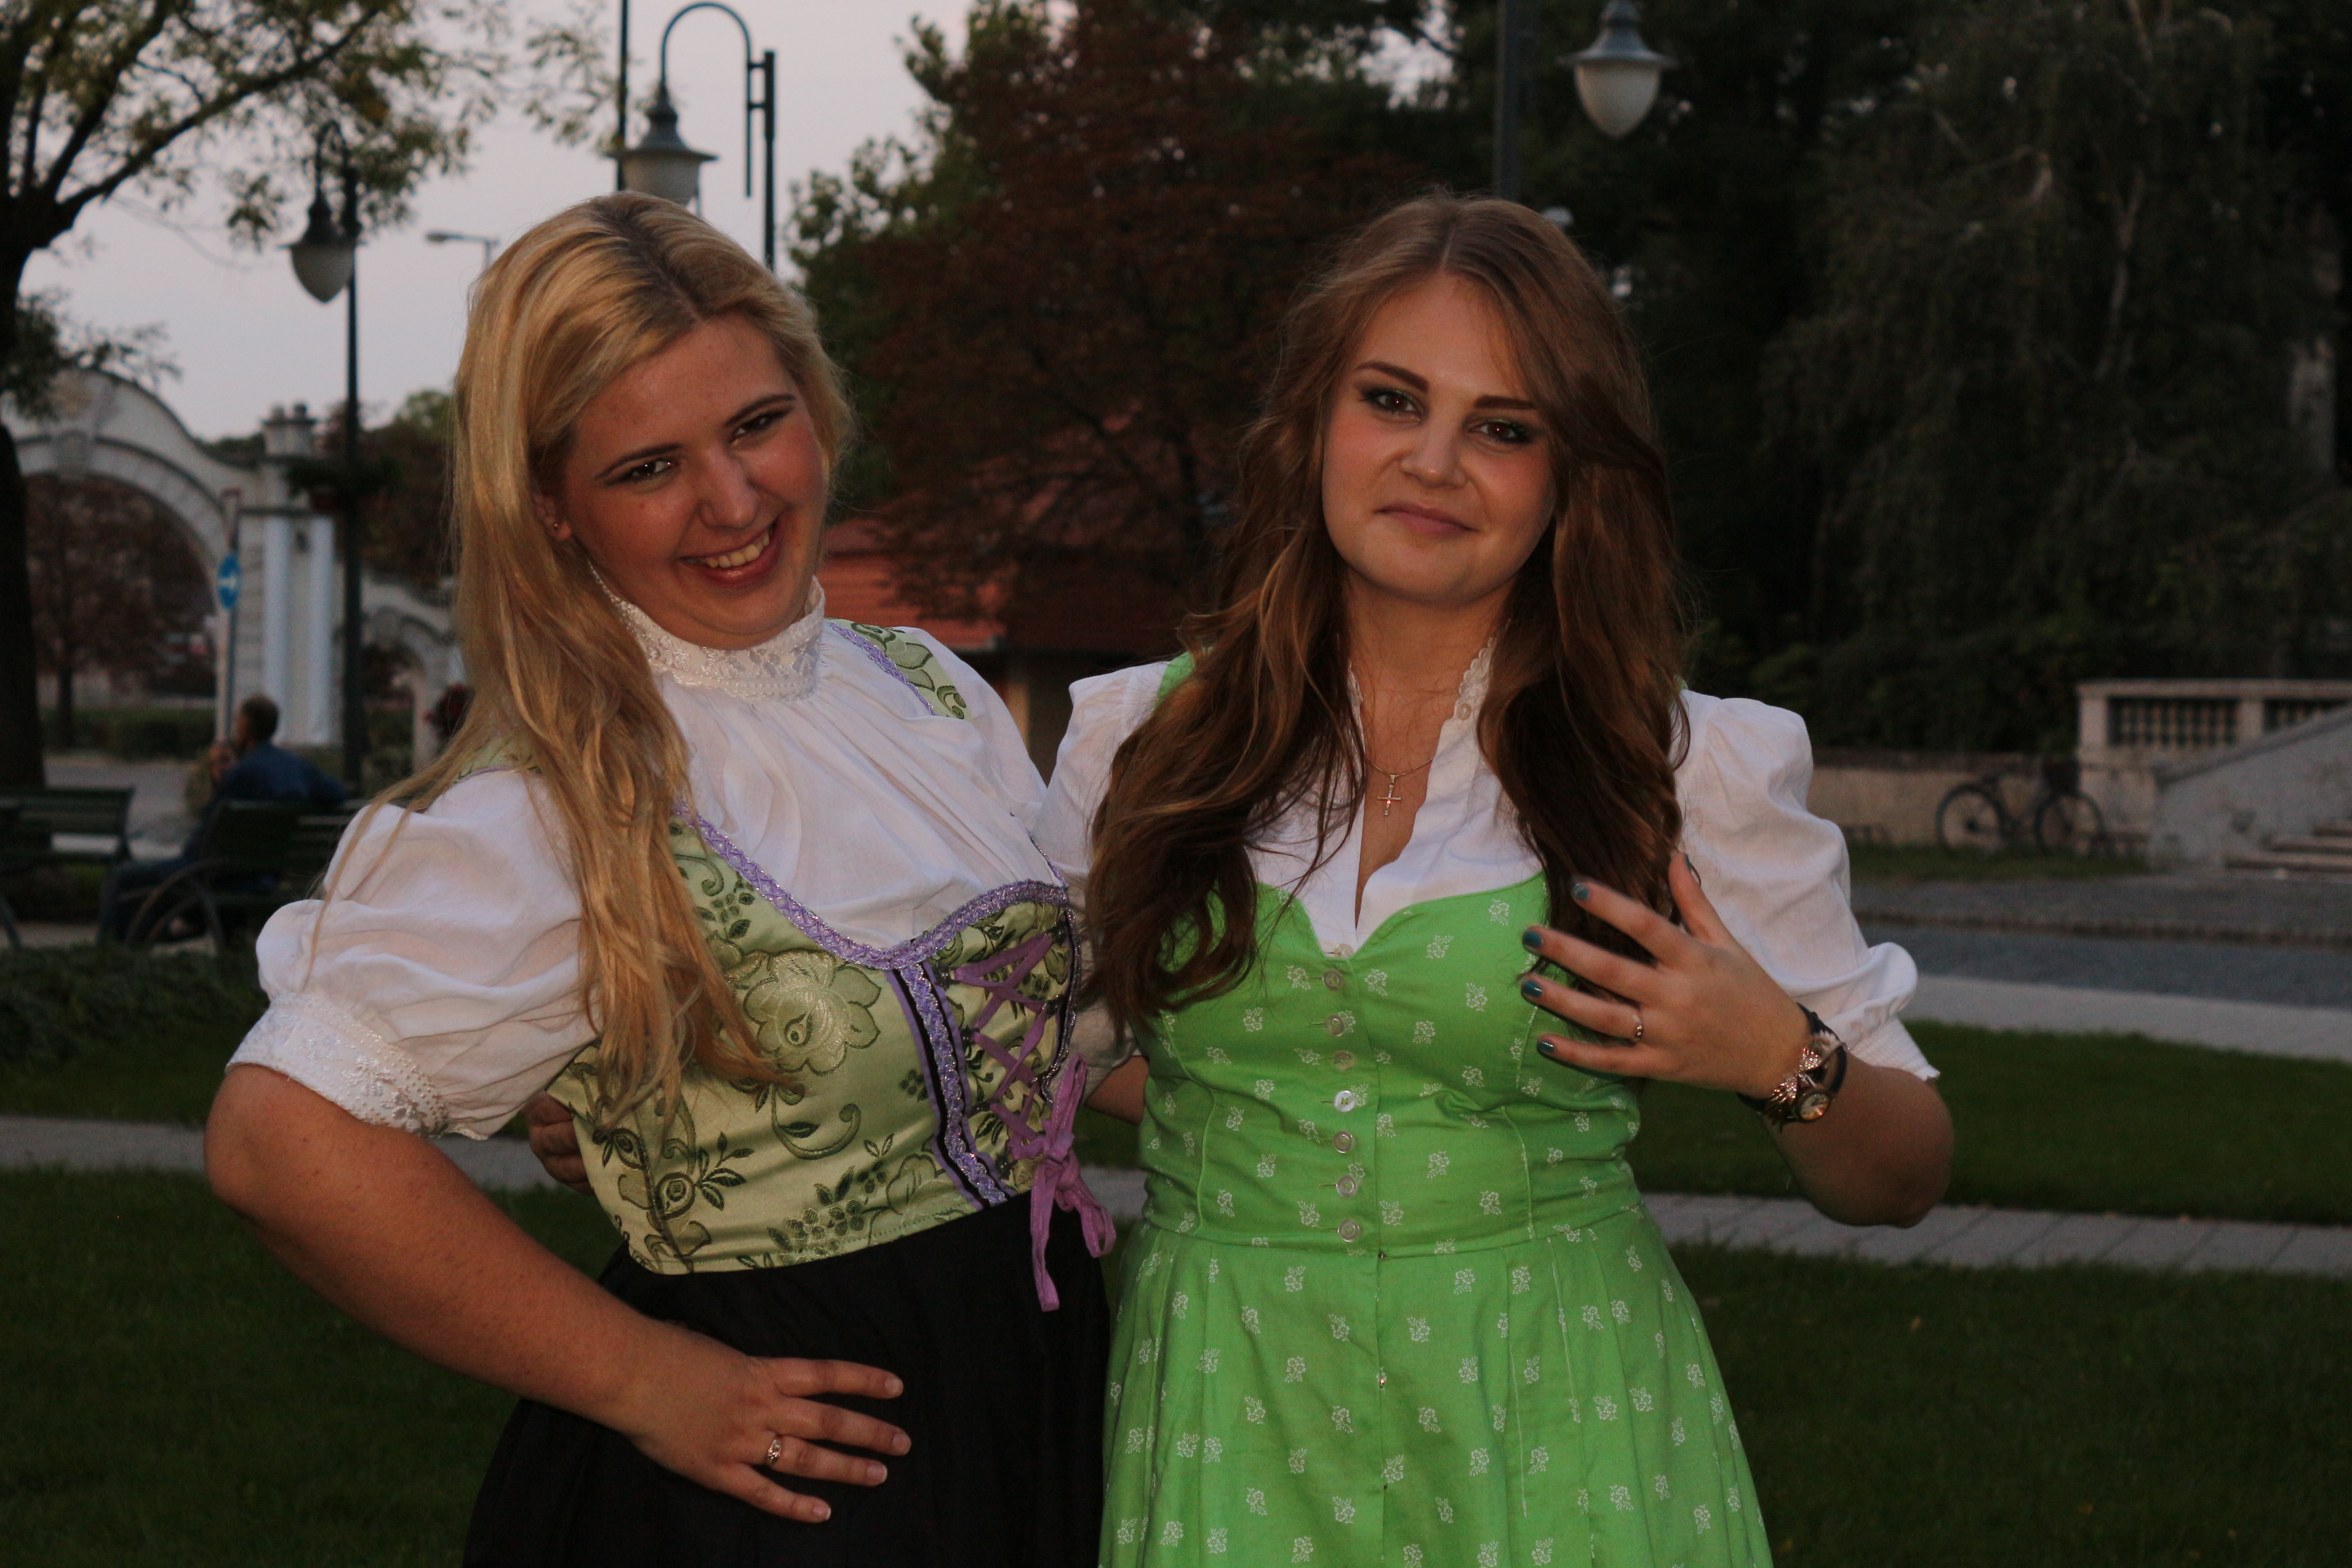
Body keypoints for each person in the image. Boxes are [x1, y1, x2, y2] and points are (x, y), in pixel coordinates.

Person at [1038, 195, 1955, 1565]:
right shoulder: (1139, 741)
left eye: (1504, 427)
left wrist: (1778, 1055)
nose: (1435, 462)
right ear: (1313, 421)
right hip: (1229, 1408)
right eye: (1392, 400)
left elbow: (1903, 1175)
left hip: (1553, 1421)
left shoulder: (1685, 766)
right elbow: (1047, 1050)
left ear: (1572, 472)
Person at [205, 194, 1112, 1568]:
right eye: (648, 468)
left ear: (814, 406)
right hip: (788, 1486)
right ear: (552, 508)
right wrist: (644, 1378)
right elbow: (280, 1141)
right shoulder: (559, 791)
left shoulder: (920, 688)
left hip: (1024, 1402)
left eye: (757, 425)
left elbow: (1053, 1039)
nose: (733, 502)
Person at [99, 692, 345, 940]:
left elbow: (204, 839)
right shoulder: (297, 768)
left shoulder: (242, 773)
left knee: (124, 877)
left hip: (219, 874)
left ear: (245, 727)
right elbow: (339, 794)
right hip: (264, 876)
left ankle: (116, 948)